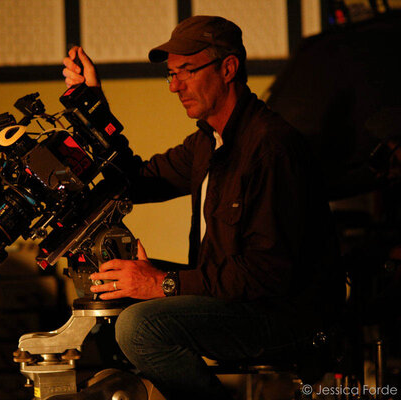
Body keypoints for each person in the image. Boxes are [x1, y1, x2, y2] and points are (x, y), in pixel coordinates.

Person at [63, 16, 345, 399]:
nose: (175, 86)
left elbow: (266, 276)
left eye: (187, 71)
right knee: (113, 290)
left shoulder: (270, 147)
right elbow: (132, 181)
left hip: (284, 317)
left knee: (139, 327)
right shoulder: (208, 143)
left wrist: (160, 282)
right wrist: (89, 104)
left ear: (228, 68)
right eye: (171, 74)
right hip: (241, 298)